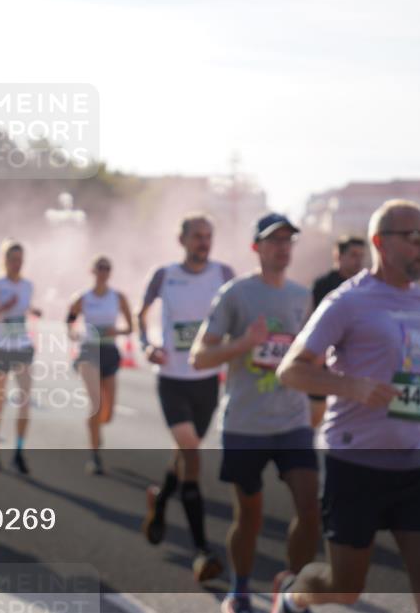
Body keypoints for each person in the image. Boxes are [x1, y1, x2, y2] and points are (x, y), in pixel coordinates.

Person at [275, 199, 420, 613]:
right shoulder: (346, 301)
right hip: (356, 462)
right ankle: (295, 593)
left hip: (419, 461)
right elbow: (291, 372)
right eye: (417, 236)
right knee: (343, 587)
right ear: (382, 242)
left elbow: (410, 369)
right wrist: (352, 386)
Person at [190, 213, 319, 613]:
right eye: (273, 240)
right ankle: (240, 588)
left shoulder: (302, 296)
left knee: (311, 508)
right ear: (256, 247)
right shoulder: (236, 294)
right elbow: (199, 357)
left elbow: (313, 355)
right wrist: (246, 342)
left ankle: (292, 591)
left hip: (293, 420)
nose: (282, 247)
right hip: (246, 424)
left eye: (288, 240)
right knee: (249, 515)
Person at [138, 213, 233, 583]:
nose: (204, 242)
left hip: (206, 381)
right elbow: (141, 312)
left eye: (208, 236)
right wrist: (147, 345)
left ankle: (161, 501)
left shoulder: (224, 274)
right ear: (182, 240)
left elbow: (237, 315)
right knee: (192, 454)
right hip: (172, 380)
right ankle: (202, 550)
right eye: (197, 236)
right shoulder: (164, 275)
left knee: (185, 453)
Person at [0, 239, 43, 474]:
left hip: (22, 346)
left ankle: (19, 451)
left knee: (25, 402)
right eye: (12, 259)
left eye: (20, 260)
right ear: (4, 261)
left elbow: (25, 306)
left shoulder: (27, 285)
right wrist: (1, 307)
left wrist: (32, 310)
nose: (16, 264)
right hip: (1, 346)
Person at [66, 255, 133, 475]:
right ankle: (94, 454)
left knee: (109, 410)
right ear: (92, 271)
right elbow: (70, 319)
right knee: (95, 403)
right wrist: (72, 333)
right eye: (100, 268)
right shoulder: (83, 297)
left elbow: (130, 327)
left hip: (110, 351)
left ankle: (96, 428)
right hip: (89, 352)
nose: (103, 271)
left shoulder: (118, 297)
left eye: (107, 268)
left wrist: (118, 331)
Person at [308, 236, 367, 426]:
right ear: (338, 256)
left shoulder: (367, 288)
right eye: (353, 255)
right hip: (323, 363)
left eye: (361, 256)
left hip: (355, 366)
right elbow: (312, 325)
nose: (358, 261)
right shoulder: (323, 285)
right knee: (315, 418)